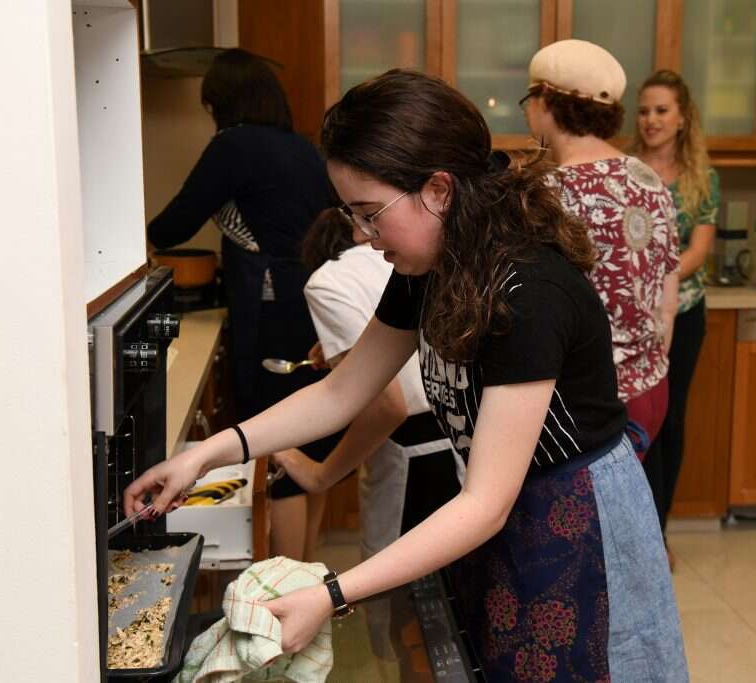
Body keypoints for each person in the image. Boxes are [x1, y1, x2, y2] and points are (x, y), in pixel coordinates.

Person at [126, 69, 687, 681]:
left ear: (439, 190)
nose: (360, 236)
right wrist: (206, 454)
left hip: (578, 520)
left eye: (370, 214)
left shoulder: (528, 290)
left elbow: (485, 504)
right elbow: (342, 391)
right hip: (504, 508)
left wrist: (331, 593)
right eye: (352, 214)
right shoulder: (432, 266)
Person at [145, 48, 337, 561]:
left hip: (271, 305)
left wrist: (141, 240)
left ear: (224, 102)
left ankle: (286, 580)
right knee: (311, 442)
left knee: (274, 446)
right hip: (315, 302)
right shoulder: (302, 149)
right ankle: (307, 571)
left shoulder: (233, 145)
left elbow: (178, 220)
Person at [278, 207, 462, 658]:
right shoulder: (408, 260)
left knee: (411, 620)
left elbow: (388, 405)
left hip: (418, 465)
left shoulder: (325, 282)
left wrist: (320, 474)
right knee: (451, 615)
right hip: (460, 439)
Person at [521, 39, 680, 460]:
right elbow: (668, 303)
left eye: (529, 100)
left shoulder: (547, 193)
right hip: (651, 390)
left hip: (589, 406)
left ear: (546, 101)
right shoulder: (650, 180)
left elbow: (535, 315)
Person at [632, 70, 720, 567]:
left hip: (683, 315)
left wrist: (654, 277)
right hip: (631, 318)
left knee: (670, 420)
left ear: (682, 117)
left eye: (662, 110)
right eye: (644, 110)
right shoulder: (625, 171)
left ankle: (658, 535)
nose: (651, 119)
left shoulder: (702, 178)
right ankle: (636, 535)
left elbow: (698, 251)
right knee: (635, 424)